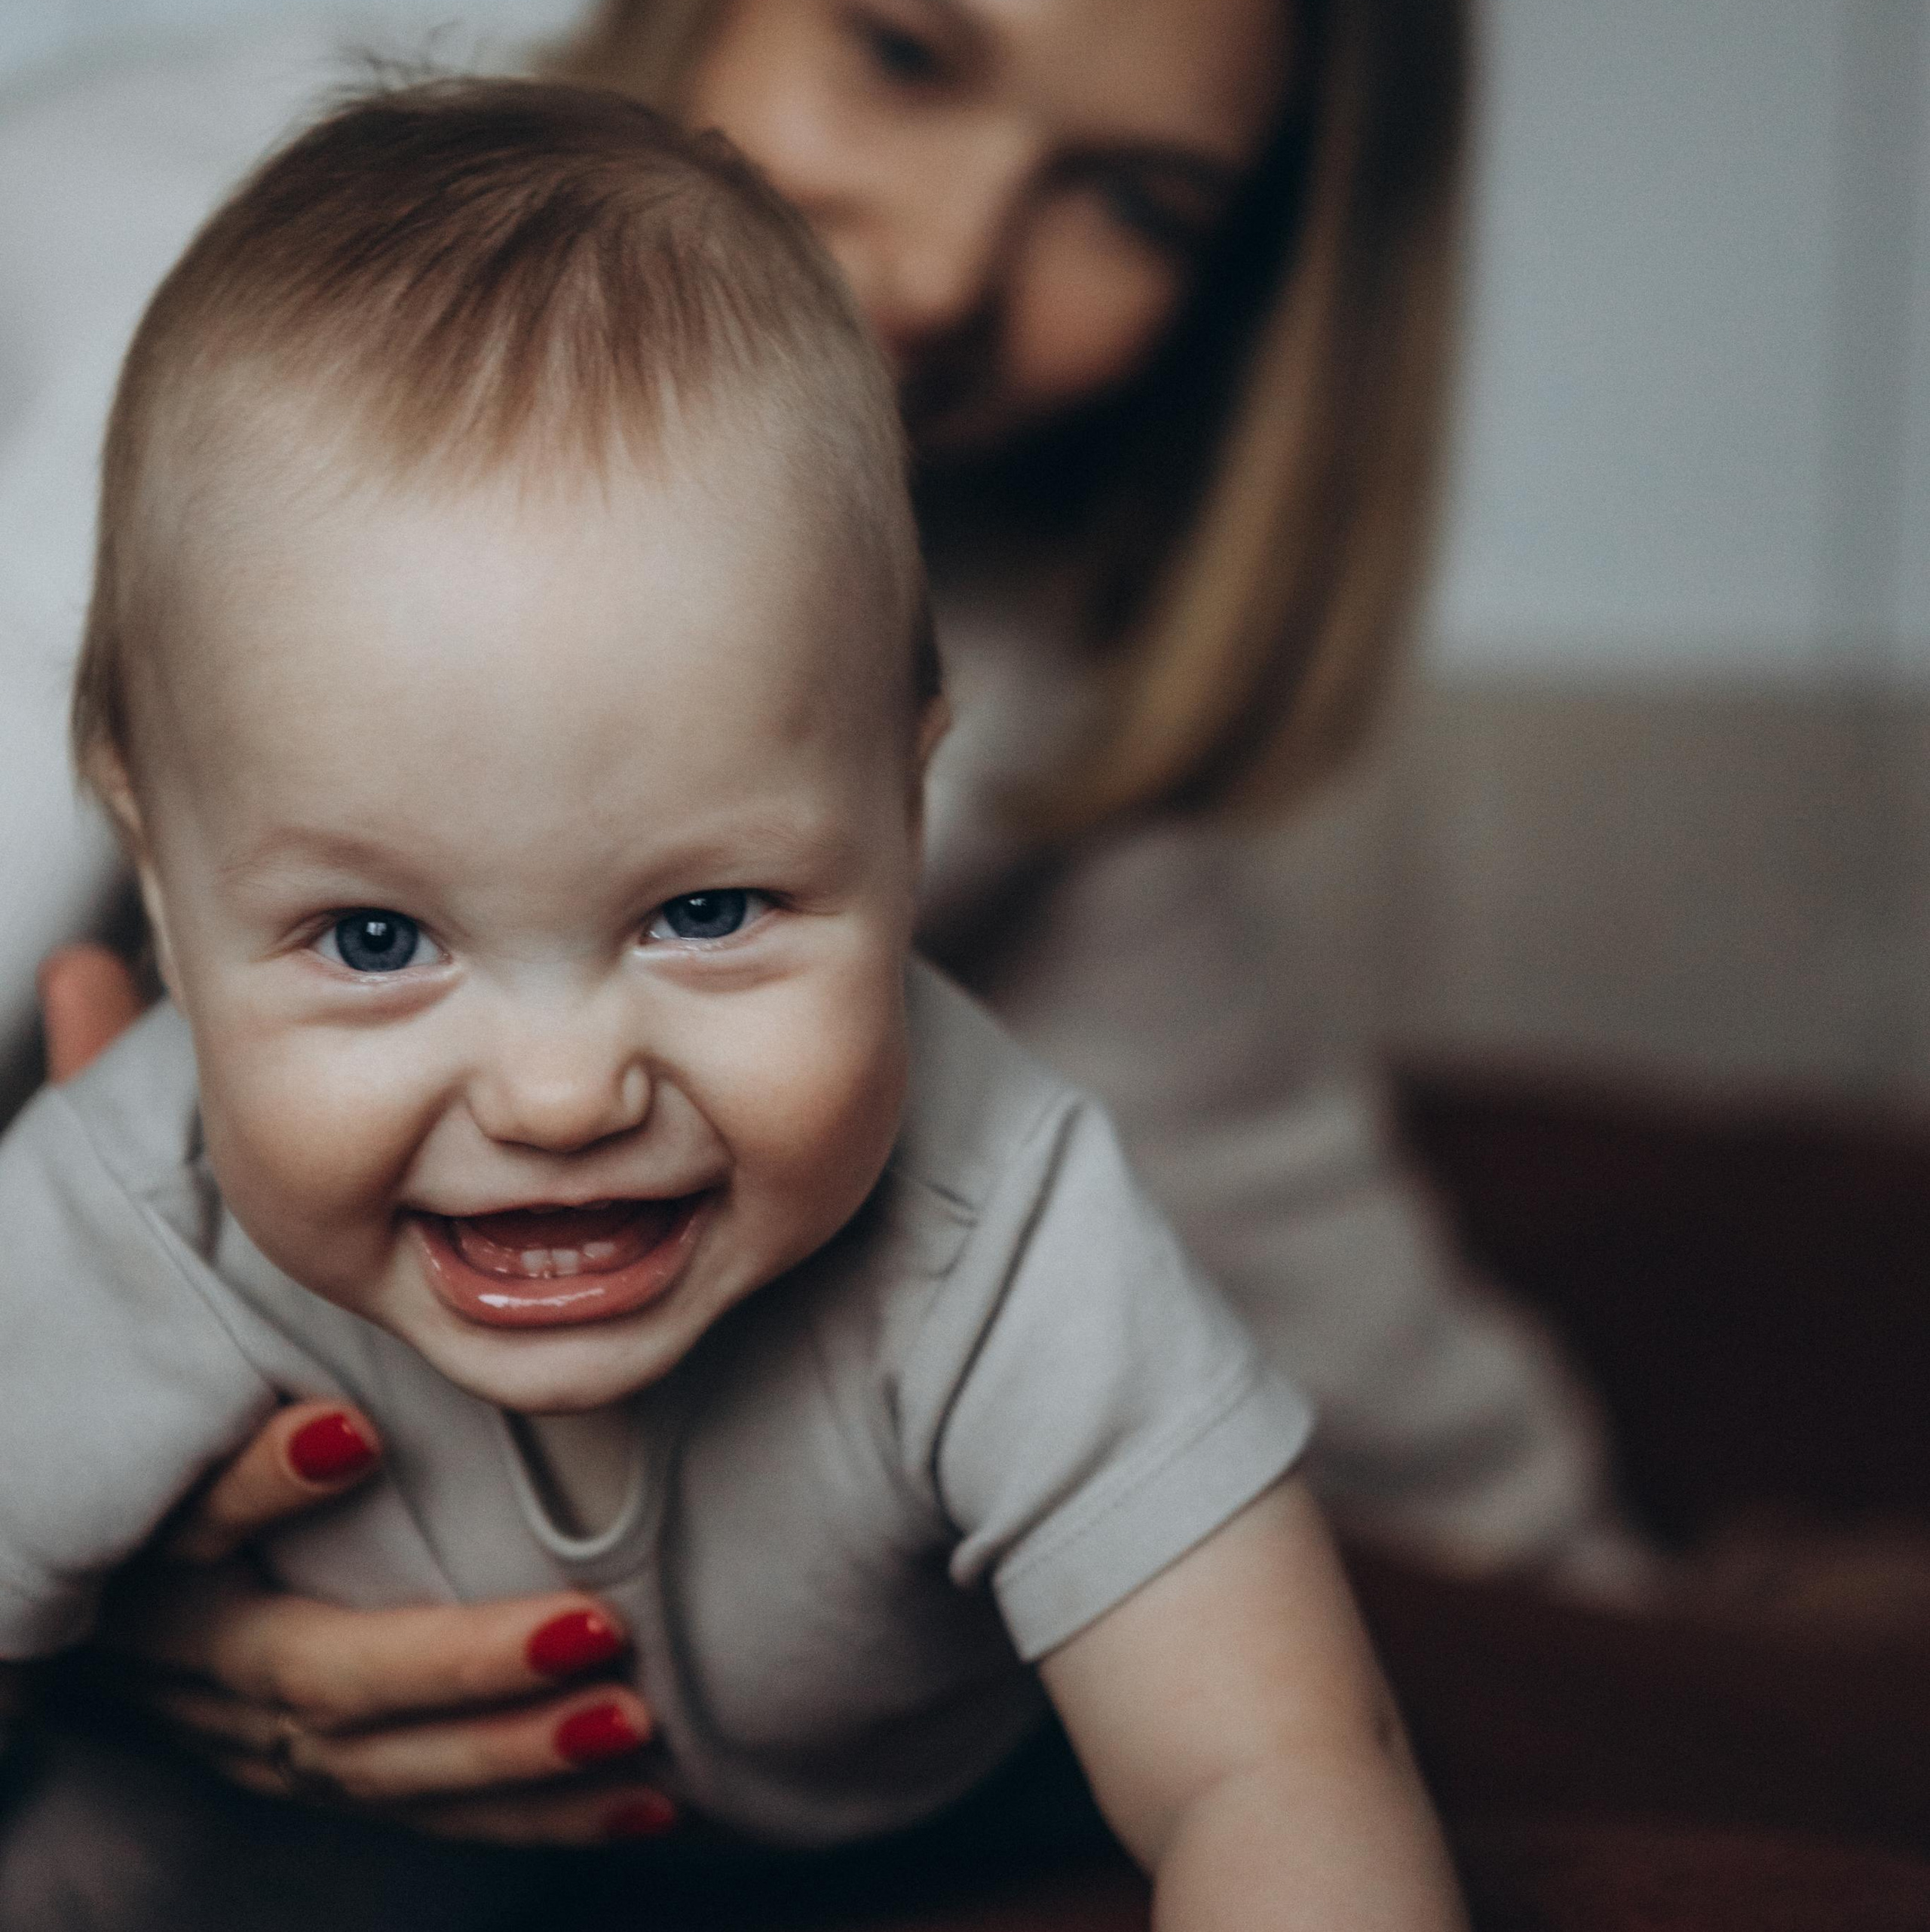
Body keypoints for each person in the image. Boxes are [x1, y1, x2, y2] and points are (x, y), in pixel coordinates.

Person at [6, 0, 1636, 1860]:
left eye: (706, 909)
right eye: (375, 941)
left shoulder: (1004, 1194)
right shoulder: (139, 276)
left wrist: (1593, 1574)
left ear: (909, 793)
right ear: (148, 860)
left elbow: (1275, 1745)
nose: (556, 1093)